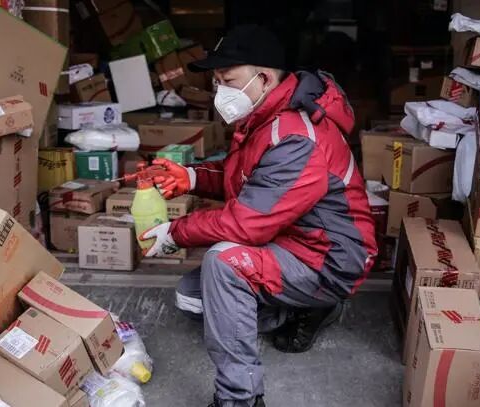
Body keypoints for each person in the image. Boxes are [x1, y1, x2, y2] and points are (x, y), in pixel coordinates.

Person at [139, 25, 378, 407]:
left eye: (228, 80)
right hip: (291, 239)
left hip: (329, 258)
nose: (220, 92)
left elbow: (245, 223)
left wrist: (175, 233)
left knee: (225, 264)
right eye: (216, 82)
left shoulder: (296, 136)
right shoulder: (265, 116)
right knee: (192, 299)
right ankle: (302, 309)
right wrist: (191, 177)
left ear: (264, 78)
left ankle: (240, 397)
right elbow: (248, 177)